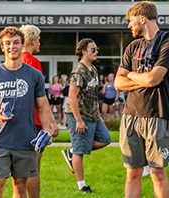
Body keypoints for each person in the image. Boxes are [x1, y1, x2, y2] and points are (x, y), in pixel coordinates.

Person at [0, 26, 52, 198]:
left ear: (22, 45)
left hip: (26, 140)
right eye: (8, 43)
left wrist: (47, 130)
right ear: (2, 47)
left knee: (20, 185)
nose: (12, 46)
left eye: (16, 42)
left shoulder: (34, 75)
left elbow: (42, 106)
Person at [115, 1, 169, 197]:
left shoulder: (166, 42)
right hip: (131, 115)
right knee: (132, 172)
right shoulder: (133, 46)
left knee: (157, 172)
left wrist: (131, 75)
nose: (129, 25)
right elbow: (118, 83)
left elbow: (153, 78)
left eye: (131, 21)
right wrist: (142, 80)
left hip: (156, 115)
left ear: (142, 18)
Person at [61, 38, 111, 194]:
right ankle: (82, 185)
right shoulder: (79, 71)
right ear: (83, 51)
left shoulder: (93, 69)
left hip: (93, 114)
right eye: (93, 50)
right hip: (79, 115)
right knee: (80, 152)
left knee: (106, 139)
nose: (96, 52)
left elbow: (93, 95)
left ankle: (72, 152)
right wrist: (78, 120)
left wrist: (98, 114)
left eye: (97, 49)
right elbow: (72, 97)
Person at [19, 24, 59, 198]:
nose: (40, 43)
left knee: (22, 168)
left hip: (20, 120)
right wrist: (50, 122)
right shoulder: (33, 61)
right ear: (33, 40)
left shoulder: (17, 59)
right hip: (33, 120)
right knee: (34, 166)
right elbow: (39, 96)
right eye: (39, 39)